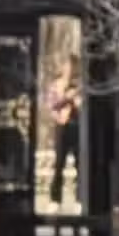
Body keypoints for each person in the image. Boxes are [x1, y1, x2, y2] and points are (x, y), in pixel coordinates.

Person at [48, 54, 81, 208]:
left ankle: (79, 199)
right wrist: (66, 98)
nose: (70, 70)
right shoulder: (56, 85)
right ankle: (55, 199)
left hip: (77, 126)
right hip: (62, 125)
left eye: (73, 67)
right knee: (59, 163)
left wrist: (76, 100)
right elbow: (51, 105)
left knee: (80, 164)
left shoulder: (79, 86)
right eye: (68, 67)